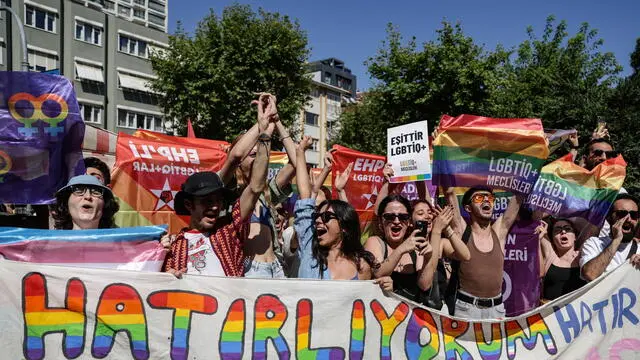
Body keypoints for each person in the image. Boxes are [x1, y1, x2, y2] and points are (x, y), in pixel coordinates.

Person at [163, 94, 275, 278]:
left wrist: (263, 134)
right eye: (207, 201)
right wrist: (169, 275)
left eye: (218, 201)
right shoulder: (174, 246)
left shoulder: (229, 229)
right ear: (190, 205)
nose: (215, 206)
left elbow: (256, 187)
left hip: (232, 305)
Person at [293, 136, 392, 291]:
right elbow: (306, 197)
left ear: (344, 227)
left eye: (326, 217)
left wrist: (385, 290)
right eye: (317, 216)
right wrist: (300, 153)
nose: (319, 221)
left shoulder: (362, 267)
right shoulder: (309, 248)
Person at [216, 94, 297, 278]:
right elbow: (236, 155)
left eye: (258, 147)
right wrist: (261, 126)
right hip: (249, 268)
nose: (255, 149)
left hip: (276, 267)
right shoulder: (226, 190)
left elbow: (296, 162)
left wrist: (276, 122)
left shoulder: (267, 191)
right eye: (251, 147)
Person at [445, 186, 522, 319]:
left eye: (490, 198)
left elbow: (519, 196)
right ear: (468, 208)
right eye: (479, 197)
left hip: (497, 310)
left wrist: (530, 172)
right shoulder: (462, 231)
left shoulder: (498, 232)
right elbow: (449, 192)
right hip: (466, 310)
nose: (486, 200)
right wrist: (446, 168)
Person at [580, 194, 640, 280]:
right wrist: (616, 240)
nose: (628, 219)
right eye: (622, 214)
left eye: (634, 215)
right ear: (609, 218)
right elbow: (591, 274)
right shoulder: (594, 243)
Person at [537, 219, 587, 302]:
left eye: (568, 229)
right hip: (551, 313)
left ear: (575, 237)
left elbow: (595, 223)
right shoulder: (551, 257)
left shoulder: (583, 255)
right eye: (557, 230)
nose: (563, 232)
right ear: (552, 239)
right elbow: (535, 219)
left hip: (579, 312)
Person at [52, 174, 119, 230]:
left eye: (96, 192)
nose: (88, 196)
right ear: (66, 203)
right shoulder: (50, 243)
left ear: (105, 205)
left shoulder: (121, 243)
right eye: (79, 191)